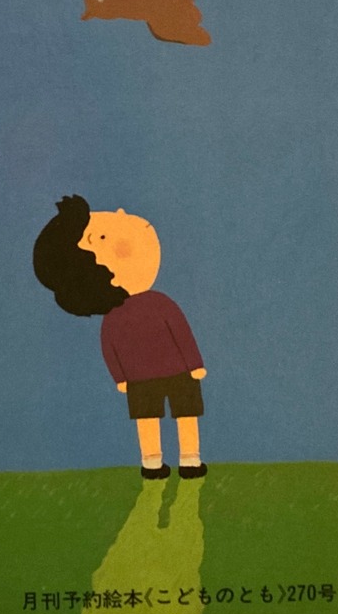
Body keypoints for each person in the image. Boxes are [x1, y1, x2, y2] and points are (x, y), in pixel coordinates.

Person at [33, 195, 208, 479]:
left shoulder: (153, 305)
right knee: (157, 417)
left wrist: (193, 363)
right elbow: (118, 346)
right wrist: (123, 377)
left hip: (154, 376)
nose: (121, 210)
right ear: (106, 273)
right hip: (160, 374)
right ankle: (159, 461)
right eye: (101, 237)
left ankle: (184, 459)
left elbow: (177, 332)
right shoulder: (149, 306)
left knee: (172, 414)